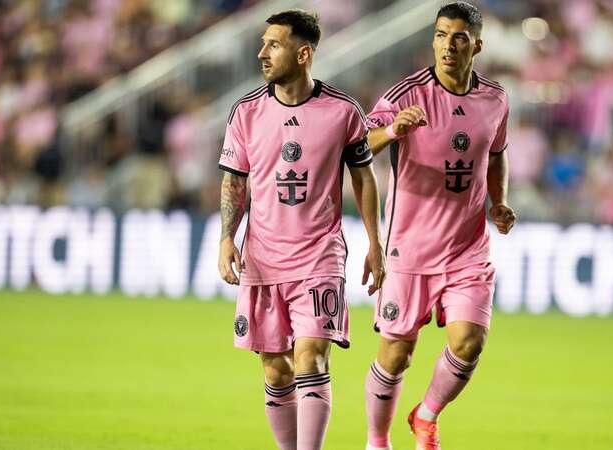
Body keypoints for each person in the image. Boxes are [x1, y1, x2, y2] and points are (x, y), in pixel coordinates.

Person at [216, 9, 386, 450]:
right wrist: (225, 239)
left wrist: (375, 241)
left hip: (319, 256)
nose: (262, 53)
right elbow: (234, 179)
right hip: (263, 257)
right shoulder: (247, 112)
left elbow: (363, 176)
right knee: (275, 367)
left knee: (311, 356)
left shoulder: (343, 112)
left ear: (303, 53)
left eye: (273, 44)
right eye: (263, 43)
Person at [362, 3, 515, 449]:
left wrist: (500, 201)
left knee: (468, 342)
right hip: (408, 248)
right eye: (442, 34)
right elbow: (358, 144)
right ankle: (377, 441)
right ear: (433, 40)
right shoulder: (404, 94)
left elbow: (498, 151)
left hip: (468, 247)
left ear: (477, 46)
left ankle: (426, 416)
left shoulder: (495, 99)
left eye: (460, 36)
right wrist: (392, 131)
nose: (449, 44)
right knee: (396, 355)